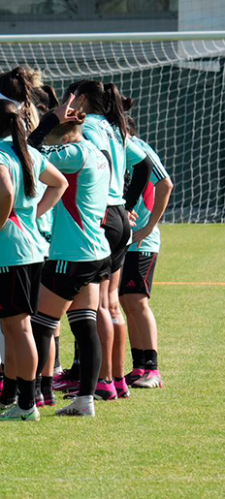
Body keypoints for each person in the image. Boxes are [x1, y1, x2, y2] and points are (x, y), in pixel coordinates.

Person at [0, 100, 66, 422]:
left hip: (11, 252)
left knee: (18, 328)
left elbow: (5, 188)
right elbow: (59, 183)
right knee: (11, 328)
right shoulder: (27, 153)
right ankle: (9, 398)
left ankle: (27, 404)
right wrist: (33, 215)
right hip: (28, 250)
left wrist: (2, 216)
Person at [29, 111, 113, 417]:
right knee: (83, 325)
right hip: (96, 250)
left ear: (64, 138)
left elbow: (28, 152)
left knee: (40, 325)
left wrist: (48, 121)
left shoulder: (74, 153)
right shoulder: (96, 151)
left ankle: (32, 395)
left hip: (72, 253)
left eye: (55, 138)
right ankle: (85, 401)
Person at [72, 81, 152, 400]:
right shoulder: (114, 127)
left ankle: (103, 380)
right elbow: (143, 165)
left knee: (98, 305)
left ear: (81, 99)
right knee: (111, 303)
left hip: (101, 215)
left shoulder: (88, 127)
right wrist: (128, 205)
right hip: (118, 214)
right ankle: (117, 379)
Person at [120, 123, 172, 390]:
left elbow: (165, 184)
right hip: (123, 241)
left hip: (142, 242)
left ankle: (153, 369)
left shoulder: (140, 150)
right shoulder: (118, 151)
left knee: (137, 301)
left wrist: (149, 227)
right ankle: (139, 366)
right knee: (127, 303)